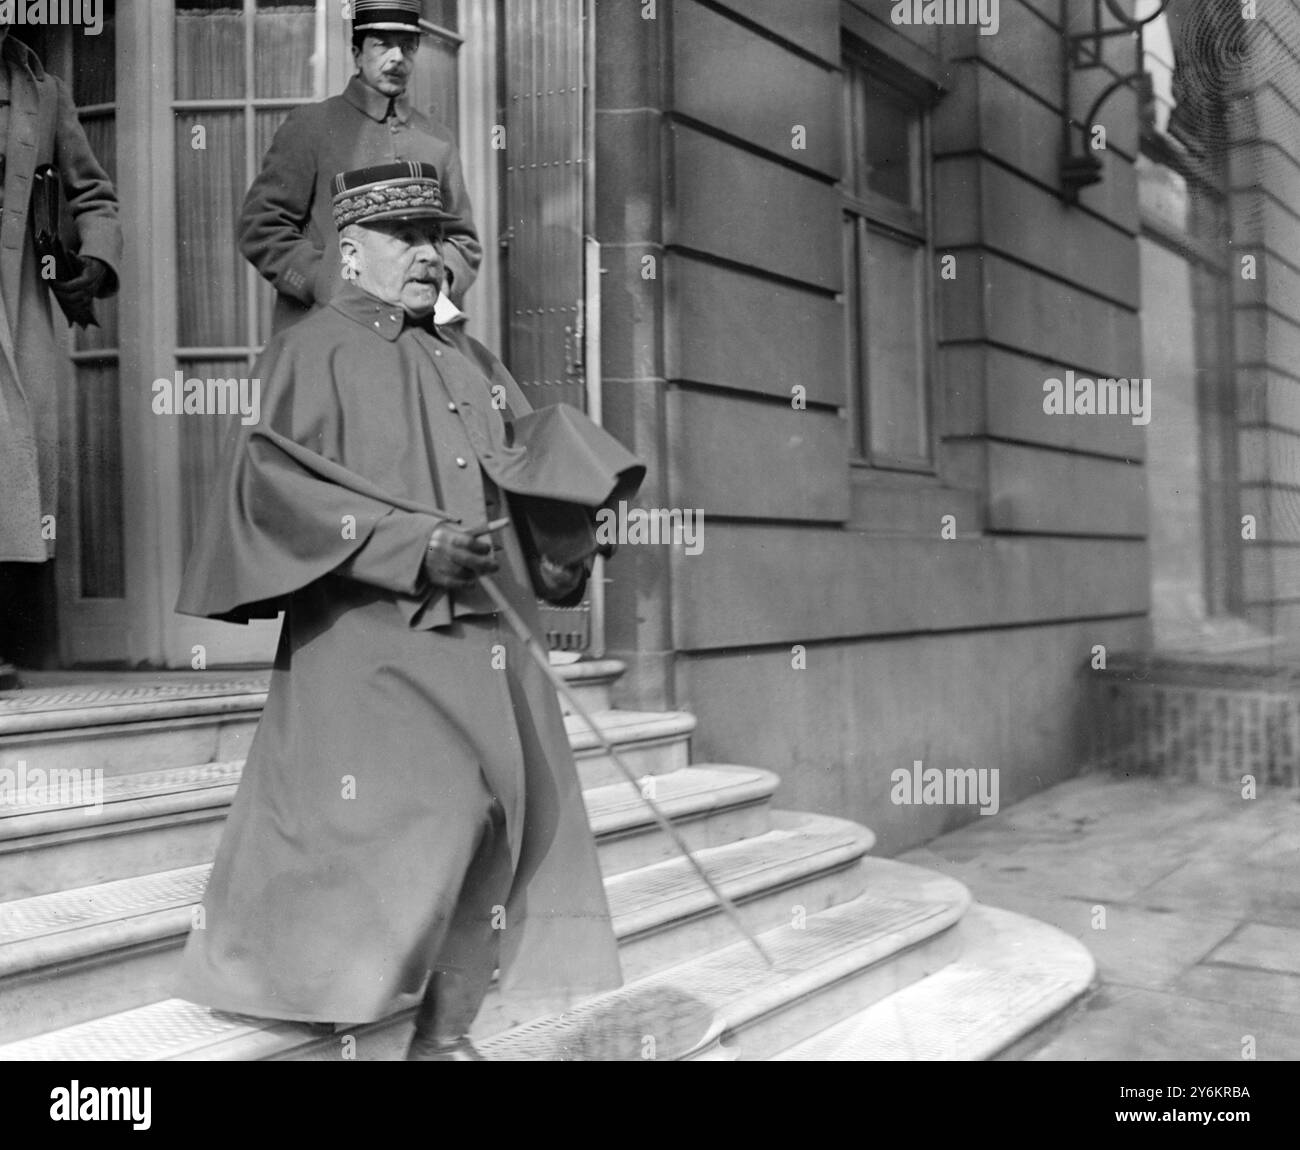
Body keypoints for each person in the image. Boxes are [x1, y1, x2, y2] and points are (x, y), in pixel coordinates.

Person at [173, 162, 643, 1061]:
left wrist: (573, 531)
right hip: (371, 646)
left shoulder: (471, 354)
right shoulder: (306, 351)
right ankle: (334, 1012)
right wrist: (411, 546)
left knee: (503, 830)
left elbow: (522, 471)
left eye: (438, 237)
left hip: (491, 636)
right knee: (409, 826)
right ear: (350, 252)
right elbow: (272, 491)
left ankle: (443, 1036)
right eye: (408, 238)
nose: (431, 255)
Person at [237, 0, 480, 335]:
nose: (397, 58)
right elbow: (261, 228)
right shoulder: (311, 126)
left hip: (418, 336)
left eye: (408, 47)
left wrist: (440, 280)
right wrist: (323, 279)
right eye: (382, 45)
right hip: (326, 331)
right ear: (356, 52)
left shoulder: (437, 139)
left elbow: (463, 239)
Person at [0, 23, 121, 687]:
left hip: (15, 293)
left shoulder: (43, 90)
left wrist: (95, 257)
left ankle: (9, 641)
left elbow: (91, 191)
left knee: (13, 461)